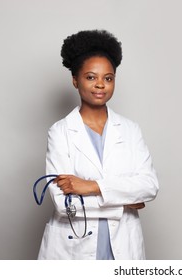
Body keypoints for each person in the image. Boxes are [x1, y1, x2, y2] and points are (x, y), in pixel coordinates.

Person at [37, 29, 159, 260]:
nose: (100, 85)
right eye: (91, 77)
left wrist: (91, 186)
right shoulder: (60, 132)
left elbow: (149, 186)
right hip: (73, 249)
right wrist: (124, 203)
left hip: (123, 247)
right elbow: (65, 204)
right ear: (75, 80)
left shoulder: (131, 130)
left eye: (108, 78)